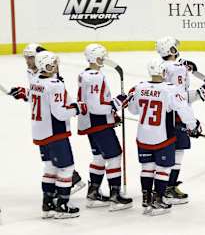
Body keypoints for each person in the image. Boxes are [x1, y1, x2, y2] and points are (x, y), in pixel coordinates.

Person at [127, 59, 202, 215]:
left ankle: (146, 199)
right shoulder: (170, 89)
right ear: (163, 72)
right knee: (163, 168)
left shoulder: (139, 87)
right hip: (163, 137)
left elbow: (133, 110)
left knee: (147, 168)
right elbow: (183, 109)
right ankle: (159, 200)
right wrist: (193, 126)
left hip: (143, 136)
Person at [9, 43, 85, 194]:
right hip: (46, 123)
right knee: (52, 162)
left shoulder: (51, 76)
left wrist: (75, 108)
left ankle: (70, 181)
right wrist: (25, 93)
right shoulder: (34, 72)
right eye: (26, 57)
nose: (27, 60)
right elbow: (39, 96)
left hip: (51, 121)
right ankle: (66, 184)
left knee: (56, 161)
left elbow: (54, 101)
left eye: (30, 57)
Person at [156, 36, 205, 204]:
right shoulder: (177, 69)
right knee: (178, 151)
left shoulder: (161, 66)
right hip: (176, 116)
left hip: (164, 115)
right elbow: (179, 98)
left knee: (167, 151)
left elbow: (172, 95)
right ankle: (168, 188)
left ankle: (162, 187)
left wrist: (199, 93)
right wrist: (201, 95)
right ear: (171, 50)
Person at [30, 51, 86, 219]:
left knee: (50, 168)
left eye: (55, 63)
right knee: (66, 168)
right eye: (51, 64)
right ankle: (62, 206)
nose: (54, 66)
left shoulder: (35, 81)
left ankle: (47, 205)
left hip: (40, 132)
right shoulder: (55, 84)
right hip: (55, 133)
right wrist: (77, 109)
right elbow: (60, 114)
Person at [77, 44, 132, 210]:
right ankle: (115, 196)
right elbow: (97, 106)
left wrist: (111, 114)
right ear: (95, 58)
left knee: (99, 157)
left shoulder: (84, 74)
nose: (104, 58)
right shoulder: (95, 77)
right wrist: (117, 103)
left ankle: (93, 194)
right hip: (98, 123)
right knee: (114, 156)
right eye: (102, 56)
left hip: (89, 122)